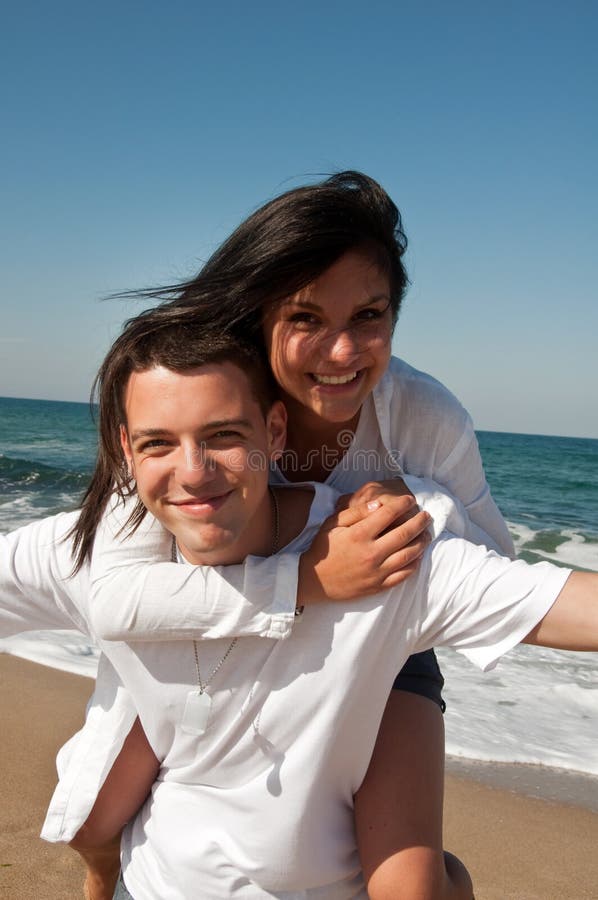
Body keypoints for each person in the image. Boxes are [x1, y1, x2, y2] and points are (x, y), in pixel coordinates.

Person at [2, 318, 596, 900]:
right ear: (126, 451)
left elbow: (560, 603)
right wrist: (299, 580)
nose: (193, 472)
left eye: (225, 435)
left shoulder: (375, 553)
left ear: (275, 433)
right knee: (87, 820)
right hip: (151, 881)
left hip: (375, 719)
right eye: (159, 442)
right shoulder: (106, 558)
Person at [78, 171, 514, 896]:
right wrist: (310, 577)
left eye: (369, 315)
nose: (342, 352)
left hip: (384, 649)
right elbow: (115, 596)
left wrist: (424, 508)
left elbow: (494, 568)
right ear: (260, 312)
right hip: (216, 631)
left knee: (415, 888)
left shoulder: (422, 416)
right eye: (307, 318)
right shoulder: (208, 398)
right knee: (91, 822)